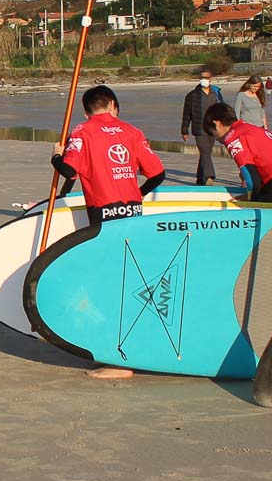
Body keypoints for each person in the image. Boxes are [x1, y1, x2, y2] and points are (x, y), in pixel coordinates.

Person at [52, 84, 167, 380]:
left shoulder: (82, 132)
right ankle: (134, 350)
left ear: (87, 109)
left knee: (111, 282)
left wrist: (56, 157)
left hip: (104, 214)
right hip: (133, 214)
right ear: (113, 105)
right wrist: (137, 194)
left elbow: (68, 171)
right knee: (130, 279)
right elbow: (158, 174)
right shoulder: (132, 131)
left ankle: (121, 362)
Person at [201, 102, 272, 206]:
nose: (216, 139)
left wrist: (251, 201)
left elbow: (251, 179)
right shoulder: (255, 129)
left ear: (217, 124)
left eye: (212, 134)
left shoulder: (232, 137)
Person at [180, 68, 226, 184]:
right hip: (199, 128)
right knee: (205, 151)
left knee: (206, 153)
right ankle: (210, 176)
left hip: (213, 128)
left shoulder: (216, 94)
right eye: (201, 78)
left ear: (210, 79)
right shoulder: (192, 95)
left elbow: (222, 110)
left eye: (206, 78)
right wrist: (184, 130)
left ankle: (200, 178)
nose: (203, 80)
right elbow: (186, 114)